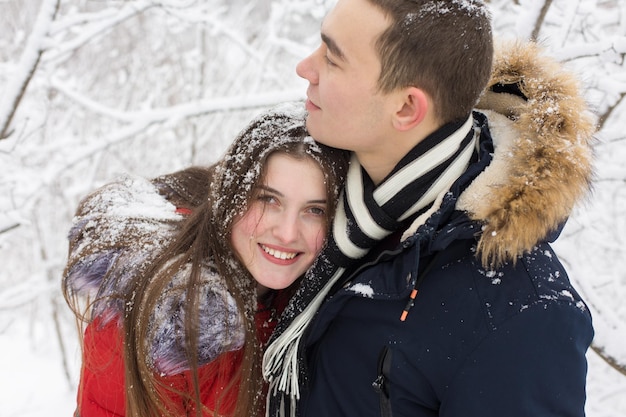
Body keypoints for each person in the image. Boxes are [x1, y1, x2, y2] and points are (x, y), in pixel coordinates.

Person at [262, 1, 596, 416]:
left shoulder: (517, 313)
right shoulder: (315, 193)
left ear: (405, 108)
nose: (304, 68)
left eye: (332, 58)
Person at [62, 102, 348, 417]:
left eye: (315, 210)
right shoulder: (161, 314)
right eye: (268, 199)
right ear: (232, 198)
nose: (287, 232)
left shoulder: (323, 301)